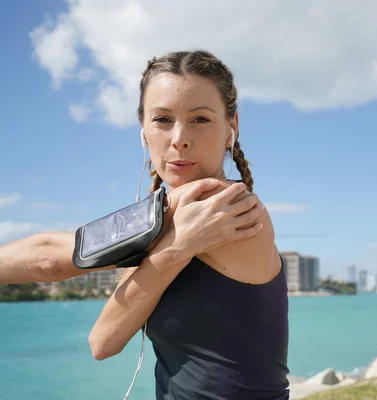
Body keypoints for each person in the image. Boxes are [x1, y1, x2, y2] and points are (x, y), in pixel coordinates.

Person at [0, 49, 290, 400]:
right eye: (162, 119)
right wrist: (176, 246)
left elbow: (102, 341)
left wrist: (176, 248)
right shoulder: (174, 213)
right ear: (143, 131)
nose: (179, 138)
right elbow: (52, 254)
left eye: (200, 119)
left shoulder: (222, 209)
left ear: (232, 127)